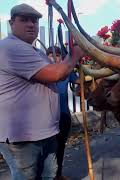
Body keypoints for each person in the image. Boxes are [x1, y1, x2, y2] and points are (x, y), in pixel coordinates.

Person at [0, 3, 85, 180]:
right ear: (11, 23)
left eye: (35, 21)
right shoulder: (10, 48)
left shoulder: (36, 52)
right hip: (23, 138)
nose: (31, 25)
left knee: (49, 176)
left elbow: (61, 74)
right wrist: (75, 55)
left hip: (45, 133)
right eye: (24, 20)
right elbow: (55, 74)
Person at [46, 46, 78, 180]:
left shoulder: (66, 72)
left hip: (64, 116)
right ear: (46, 57)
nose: (54, 58)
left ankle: (58, 175)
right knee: (48, 151)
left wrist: (79, 69)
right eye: (51, 55)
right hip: (47, 118)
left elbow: (78, 82)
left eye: (58, 55)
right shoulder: (43, 71)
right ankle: (49, 176)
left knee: (60, 148)